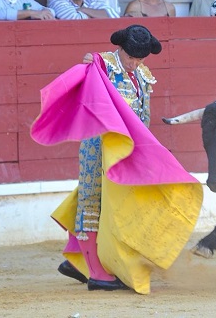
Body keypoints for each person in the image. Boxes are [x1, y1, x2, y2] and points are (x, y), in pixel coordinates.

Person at [57, 25, 161, 291]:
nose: (135, 63)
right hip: (98, 144)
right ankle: (97, 274)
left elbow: (143, 116)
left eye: (140, 58)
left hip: (126, 148)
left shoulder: (142, 74)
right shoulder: (101, 64)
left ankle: (77, 256)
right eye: (131, 57)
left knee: (108, 199)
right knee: (93, 199)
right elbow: (80, 90)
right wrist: (88, 65)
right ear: (121, 49)